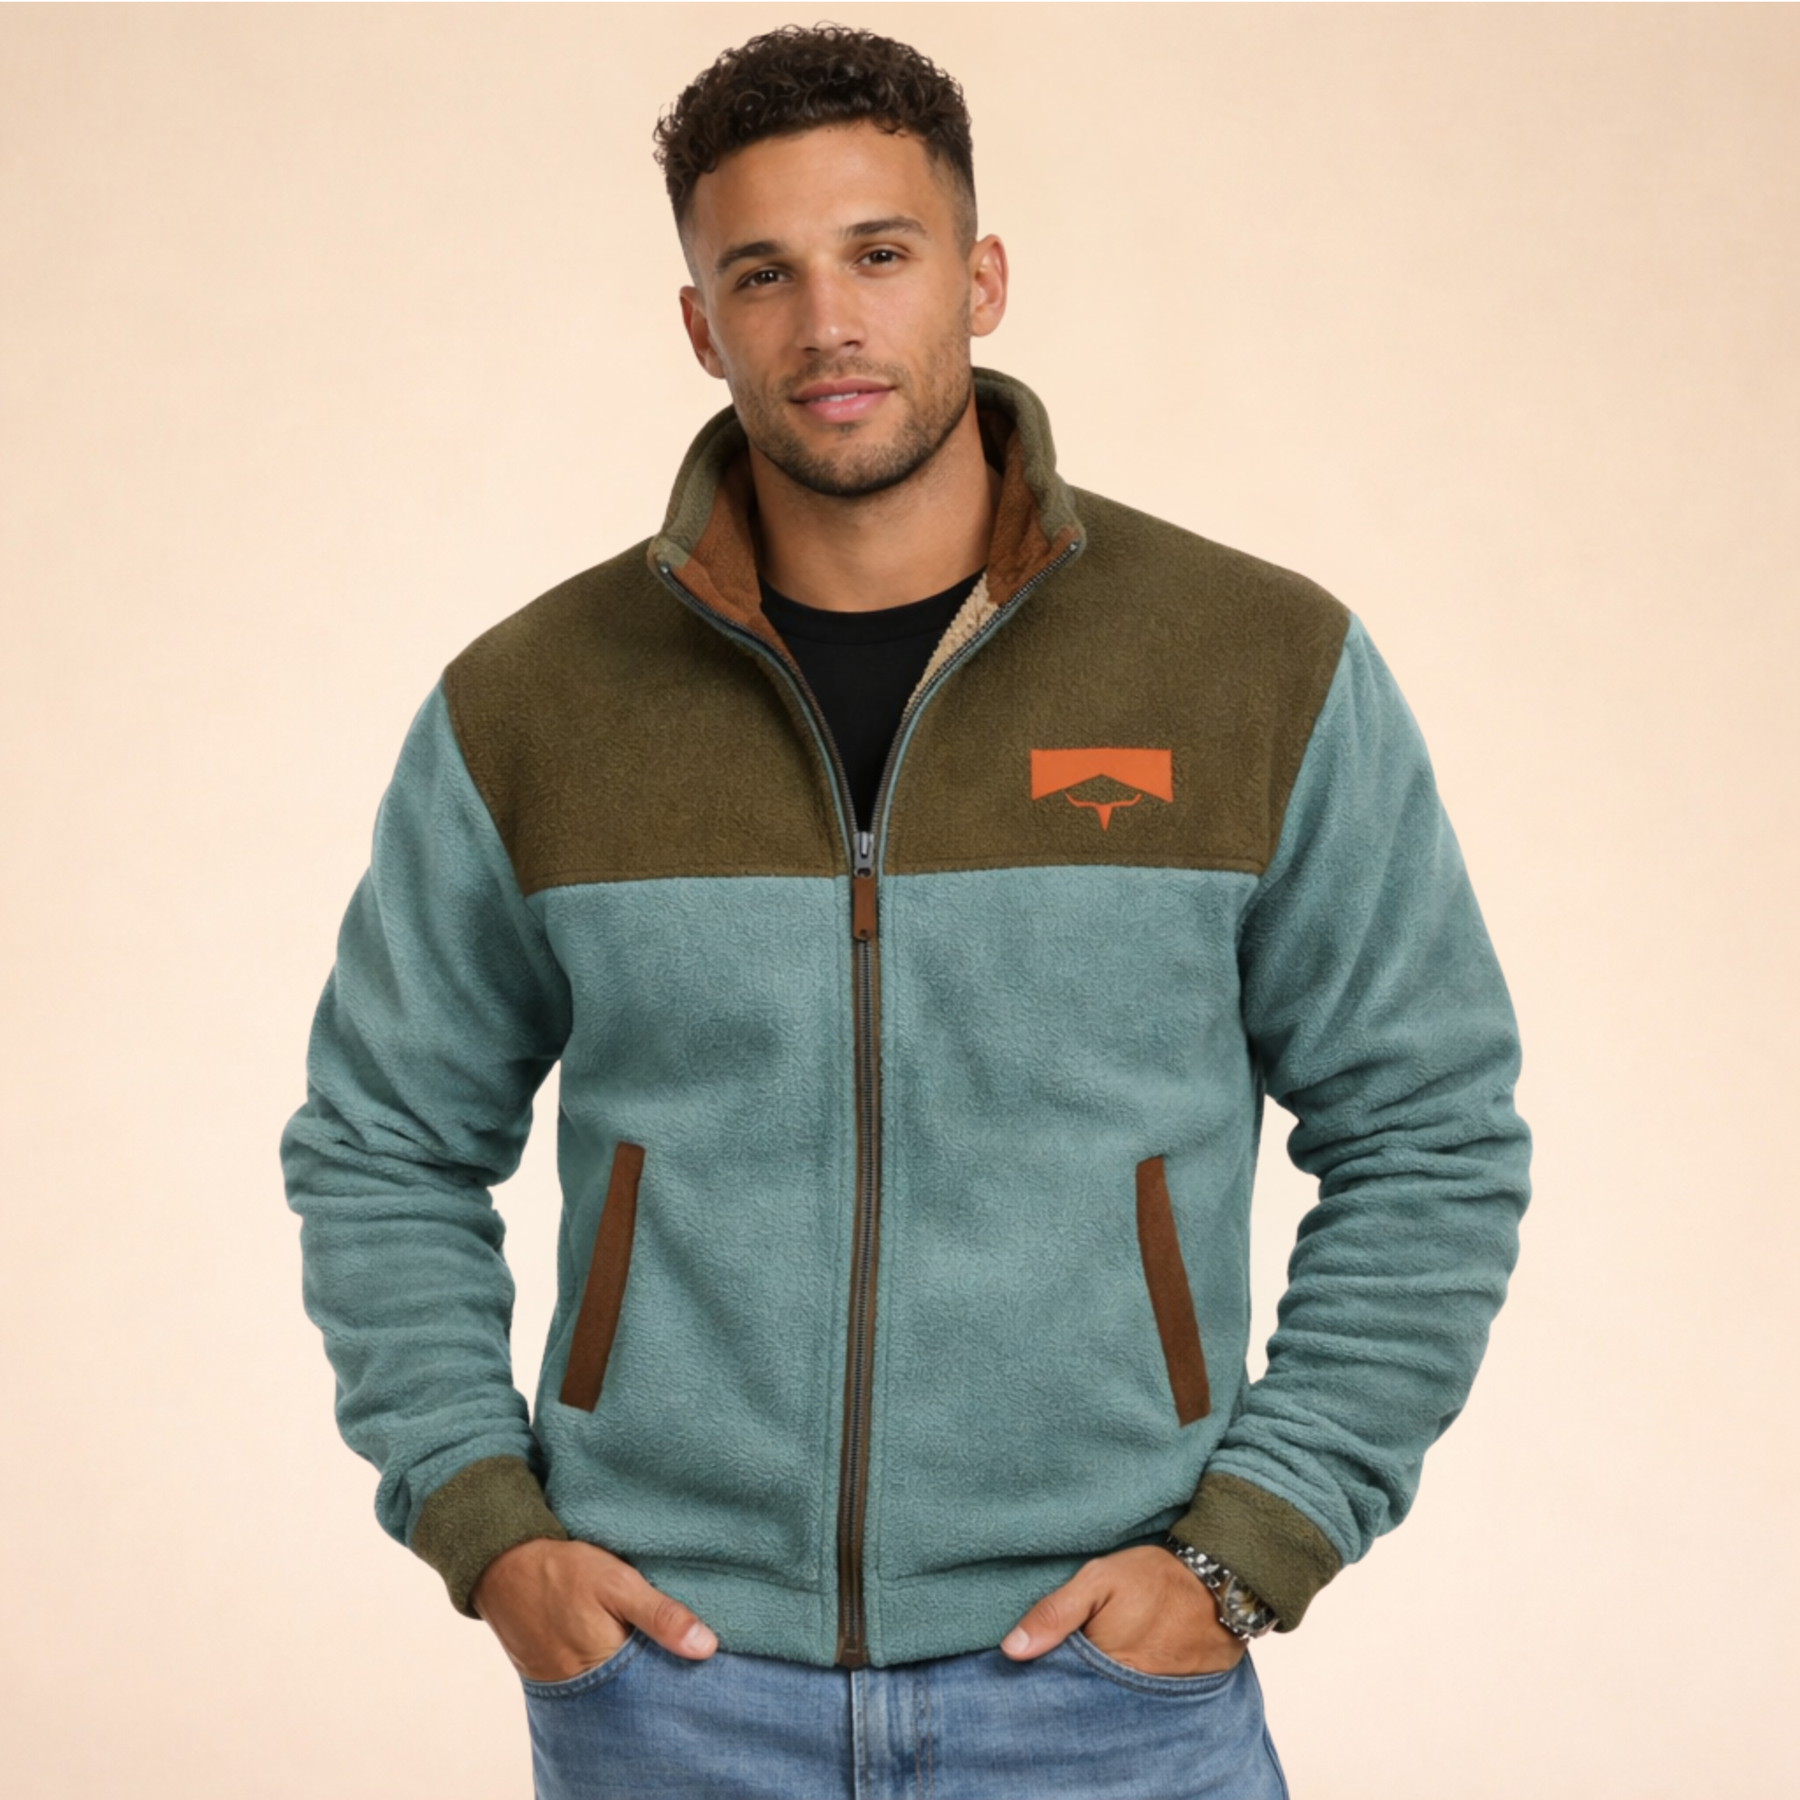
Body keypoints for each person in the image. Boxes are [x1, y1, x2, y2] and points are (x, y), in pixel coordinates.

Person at [282, 24, 1530, 1799]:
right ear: (700, 325)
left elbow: (1428, 1130)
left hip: (1111, 1693)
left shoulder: (1255, 664)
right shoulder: (535, 702)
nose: (827, 323)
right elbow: (382, 1142)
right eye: (762, 274)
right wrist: (490, 1529)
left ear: (981, 278)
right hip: (670, 1691)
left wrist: (1254, 1542)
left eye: (880, 253)